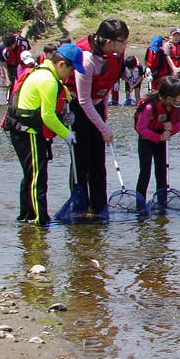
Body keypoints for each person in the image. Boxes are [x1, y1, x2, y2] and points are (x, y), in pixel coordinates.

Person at [65, 18, 132, 217]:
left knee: (98, 160)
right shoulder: (86, 59)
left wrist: (103, 116)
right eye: (123, 41)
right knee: (81, 159)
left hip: (96, 105)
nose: (125, 45)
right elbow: (84, 100)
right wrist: (103, 128)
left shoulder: (116, 55)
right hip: (78, 106)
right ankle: (80, 207)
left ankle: (99, 207)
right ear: (110, 41)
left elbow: (104, 89)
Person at [4, 45, 74, 225]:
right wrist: (67, 134)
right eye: (70, 69)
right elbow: (48, 116)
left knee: (31, 174)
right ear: (60, 64)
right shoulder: (48, 80)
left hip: (21, 130)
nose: (70, 74)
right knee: (38, 177)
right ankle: (40, 220)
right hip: (28, 132)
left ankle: (26, 216)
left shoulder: (44, 73)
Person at [134, 74, 180, 209]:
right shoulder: (150, 107)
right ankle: (140, 205)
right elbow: (140, 127)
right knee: (145, 172)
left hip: (162, 140)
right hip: (147, 141)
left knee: (162, 172)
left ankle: (162, 203)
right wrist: (158, 137)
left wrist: (172, 129)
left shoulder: (178, 106)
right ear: (169, 98)